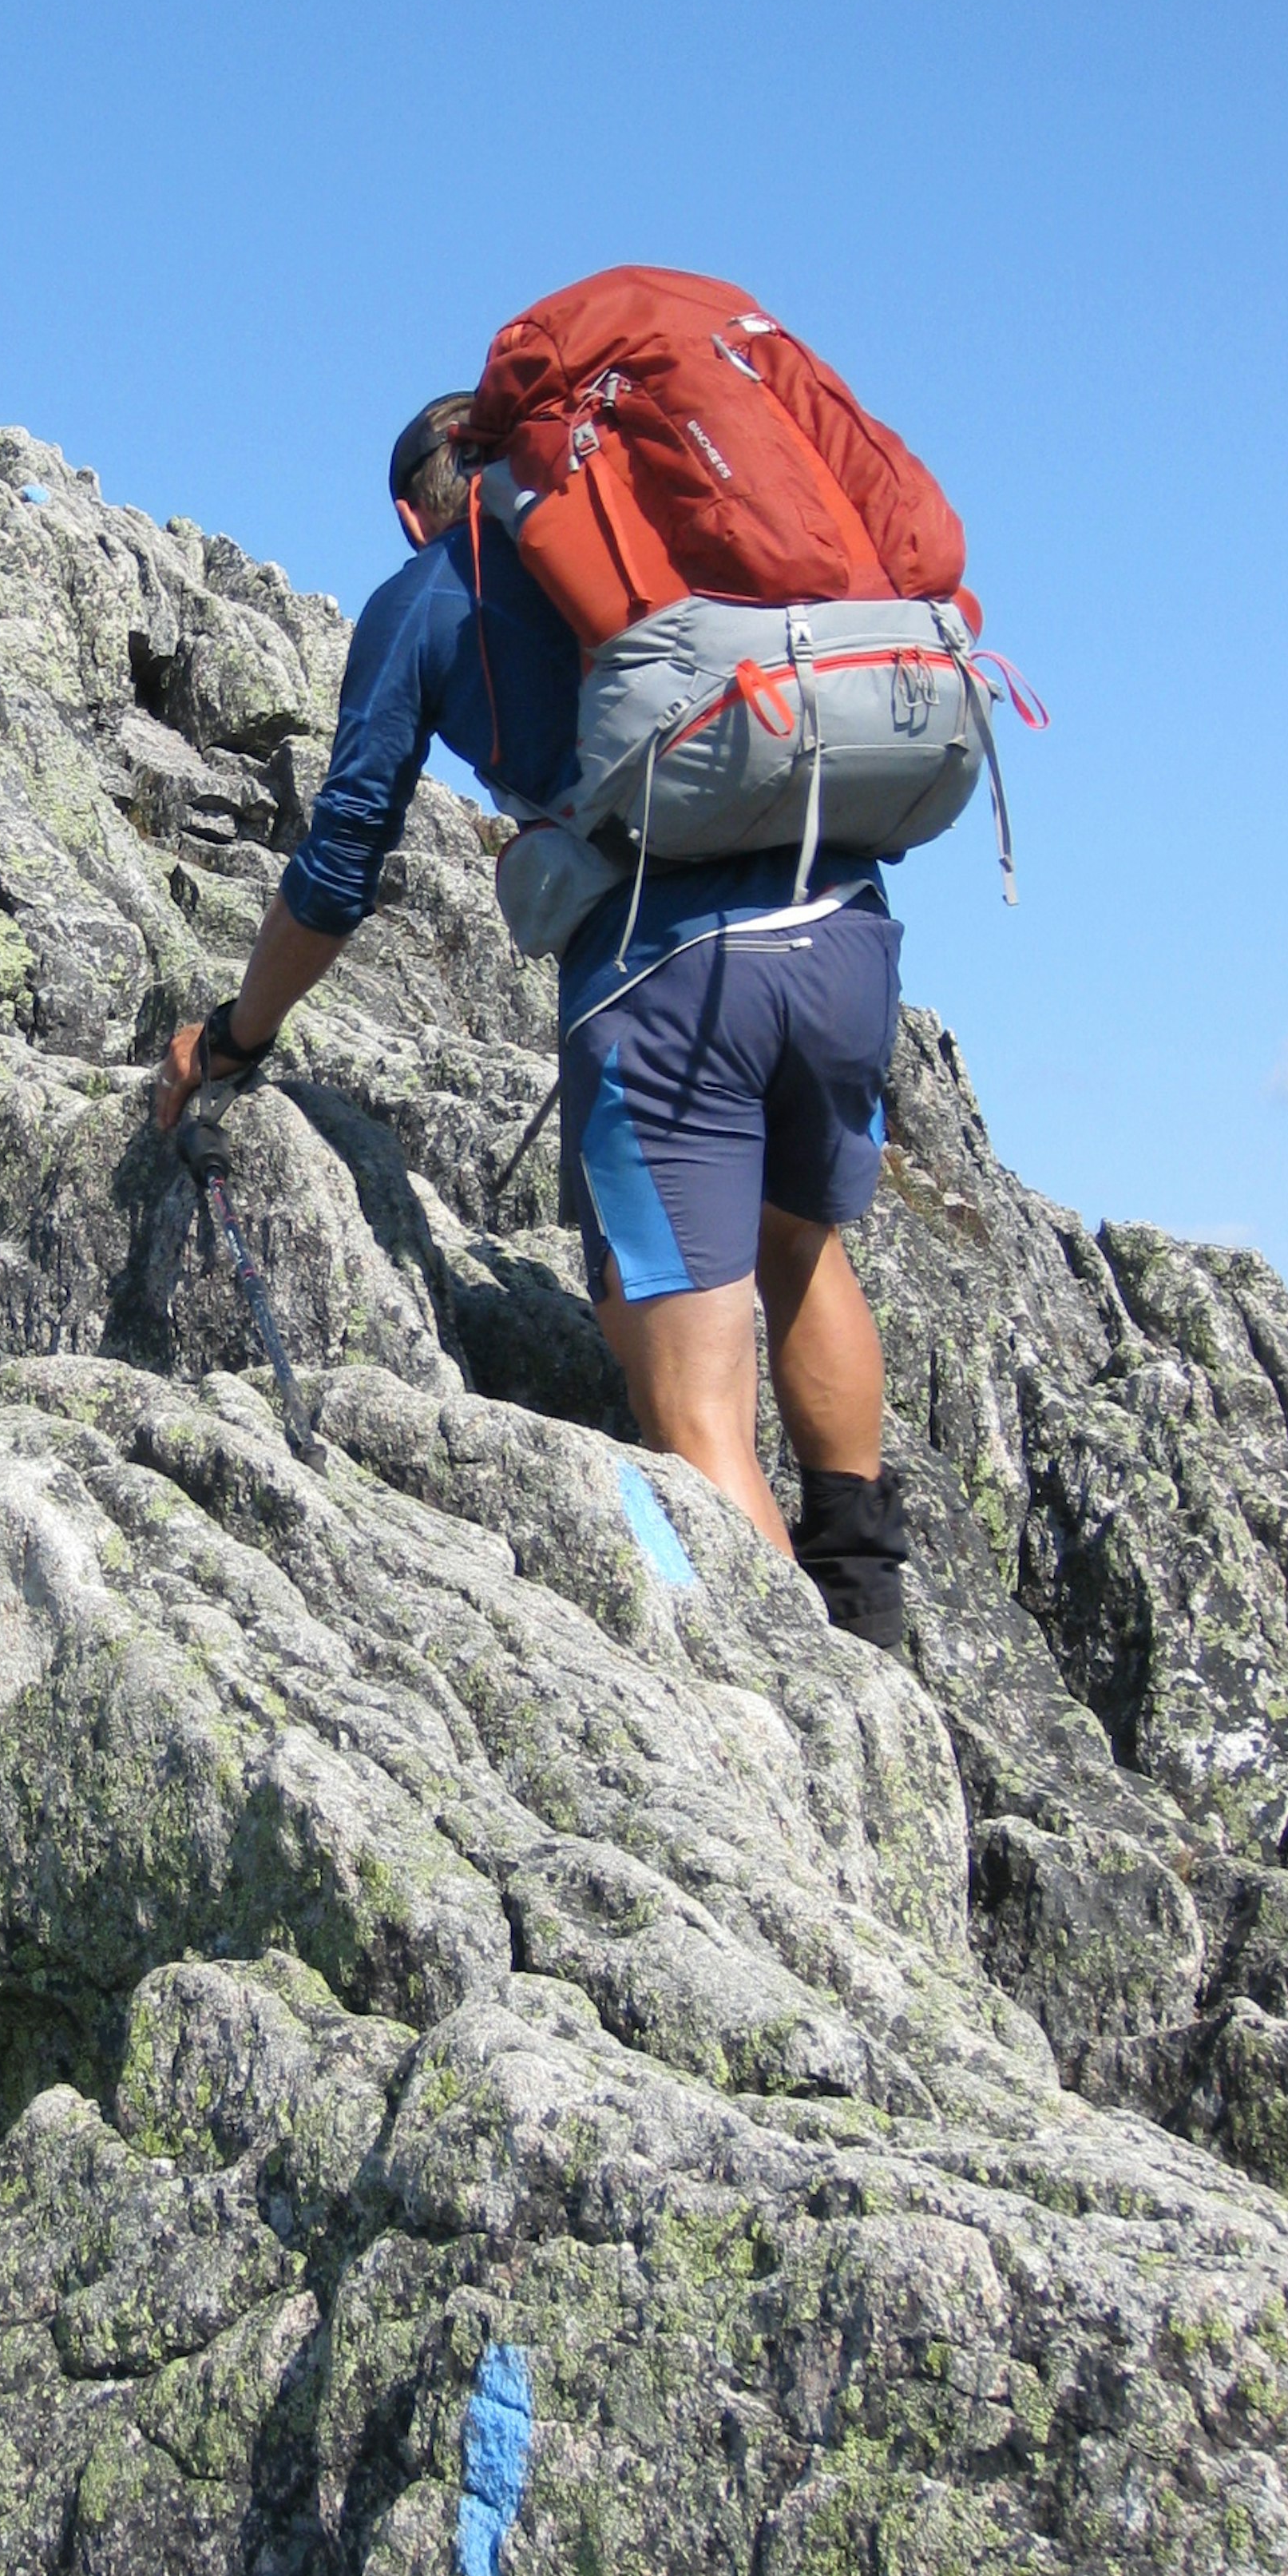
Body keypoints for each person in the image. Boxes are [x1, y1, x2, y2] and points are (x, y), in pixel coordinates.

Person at [152, 393, 912, 1645]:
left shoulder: (428, 599)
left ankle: (846, 1728)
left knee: (697, 1412)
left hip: (667, 986)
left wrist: (236, 1034)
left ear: (412, 510)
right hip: (842, 931)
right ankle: (872, 1603)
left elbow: (344, 866)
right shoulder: (675, 534)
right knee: (804, 1250)